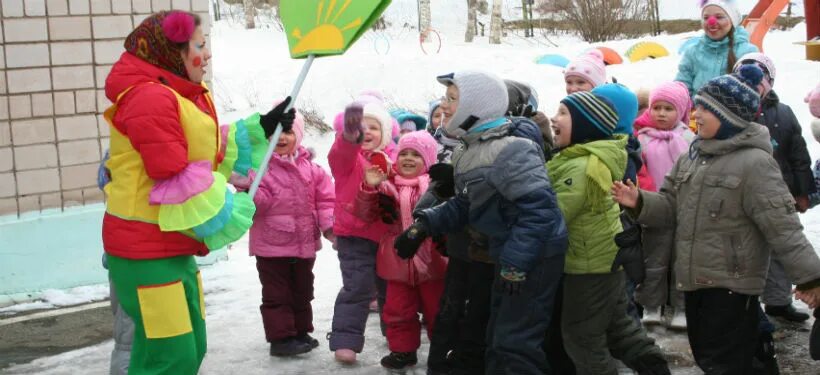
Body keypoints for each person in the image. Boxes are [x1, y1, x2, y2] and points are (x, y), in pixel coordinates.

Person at [102, 11, 295, 373]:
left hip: (169, 245)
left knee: (191, 348)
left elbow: (204, 150)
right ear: (170, 51)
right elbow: (174, 173)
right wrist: (229, 209)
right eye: (199, 45)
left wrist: (261, 128)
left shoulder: (177, 95)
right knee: (169, 358)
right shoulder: (150, 99)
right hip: (145, 249)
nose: (206, 55)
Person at [612, 65, 820, 373]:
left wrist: (811, 279)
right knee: (711, 356)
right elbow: (671, 206)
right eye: (695, 108)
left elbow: (784, 229)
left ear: (729, 116)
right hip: (694, 281)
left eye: (704, 110)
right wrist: (640, 202)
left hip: (732, 285)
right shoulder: (693, 155)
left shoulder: (755, 163)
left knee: (725, 361)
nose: (695, 115)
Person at [394, 70, 569, 374]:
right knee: (498, 339)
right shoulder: (470, 147)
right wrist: (423, 225)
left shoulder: (511, 150)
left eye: (452, 98)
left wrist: (516, 263)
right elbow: (468, 202)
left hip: (534, 260)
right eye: (445, 98)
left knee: (516, 343)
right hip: (509, 256)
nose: (444, 106)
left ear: (476, 105)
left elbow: (539, 213)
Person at [548, 92, 670, 374]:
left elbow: (556, 215)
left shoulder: (580, 167)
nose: (555, 118)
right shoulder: (588, 156)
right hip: (606, 261)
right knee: (618, 327)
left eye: (564, 113)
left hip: (587, 267)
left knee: (582, 337)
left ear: (584, 125)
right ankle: (653, 364)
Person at [231, 109, 335, 356]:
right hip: (271, 245)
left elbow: (326, 199)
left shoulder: (311, 168)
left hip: (304, 244)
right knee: (277, 294)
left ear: (297, 135)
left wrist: (329, 225)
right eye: (275, 132)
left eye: (287, 131)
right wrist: (251, 190)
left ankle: (300, 331)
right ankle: (281, 338)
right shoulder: (259, 168)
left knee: (302, 290)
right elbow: (259, 205)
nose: (281, 137)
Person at [732, 54, 815, 323]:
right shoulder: (730, 112)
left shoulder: (784, 113)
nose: (753, 83)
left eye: (760, 78)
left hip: (780, 192)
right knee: (744, 250)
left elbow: (799, 155)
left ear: (770, 82)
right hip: (741, 195)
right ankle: (743, 302)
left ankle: (778, 301)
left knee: (780, 250)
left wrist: (802, 192)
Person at [355, 131, 447, 370]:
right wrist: (369, 188)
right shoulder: (387, 186)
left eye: (416, 155)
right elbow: (365, 214)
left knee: (438, 310)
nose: (408, 158)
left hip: (433, 262)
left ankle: (444, 349)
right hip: (396, 262)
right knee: (398, 310)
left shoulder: (435, 189)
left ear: (428, 160)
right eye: (403, 153)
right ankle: (403, 351)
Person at [327, 99, 394, 364]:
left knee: (391, 290)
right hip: (354, 236)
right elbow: (340, 152)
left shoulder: (392, 160)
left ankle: (397, 336)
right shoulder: (348, 161)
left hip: (388, 236)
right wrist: (349, 136)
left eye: (374, 127)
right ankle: (345, 340)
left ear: (385, 134)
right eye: (361, 127)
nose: (367, 132)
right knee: (357, 288)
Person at [632, 81, 695, 329]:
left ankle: (681, 307)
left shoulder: (689, 138)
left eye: (668, 108)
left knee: (682, 260)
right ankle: (651, 305)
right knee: (654, 258)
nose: (660, 113)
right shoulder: (643, 139)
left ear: (679, 111)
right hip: (654, 207)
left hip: (684, 208)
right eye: (656, 107)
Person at [676, 0, 758, 99]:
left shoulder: (747, 52)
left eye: (719, 17)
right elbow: (682, 85)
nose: (711, 22)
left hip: (731, 113)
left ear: (732, 20)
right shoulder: (692, 51)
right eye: (706, 18)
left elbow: (753, 91)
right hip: (696, 111)